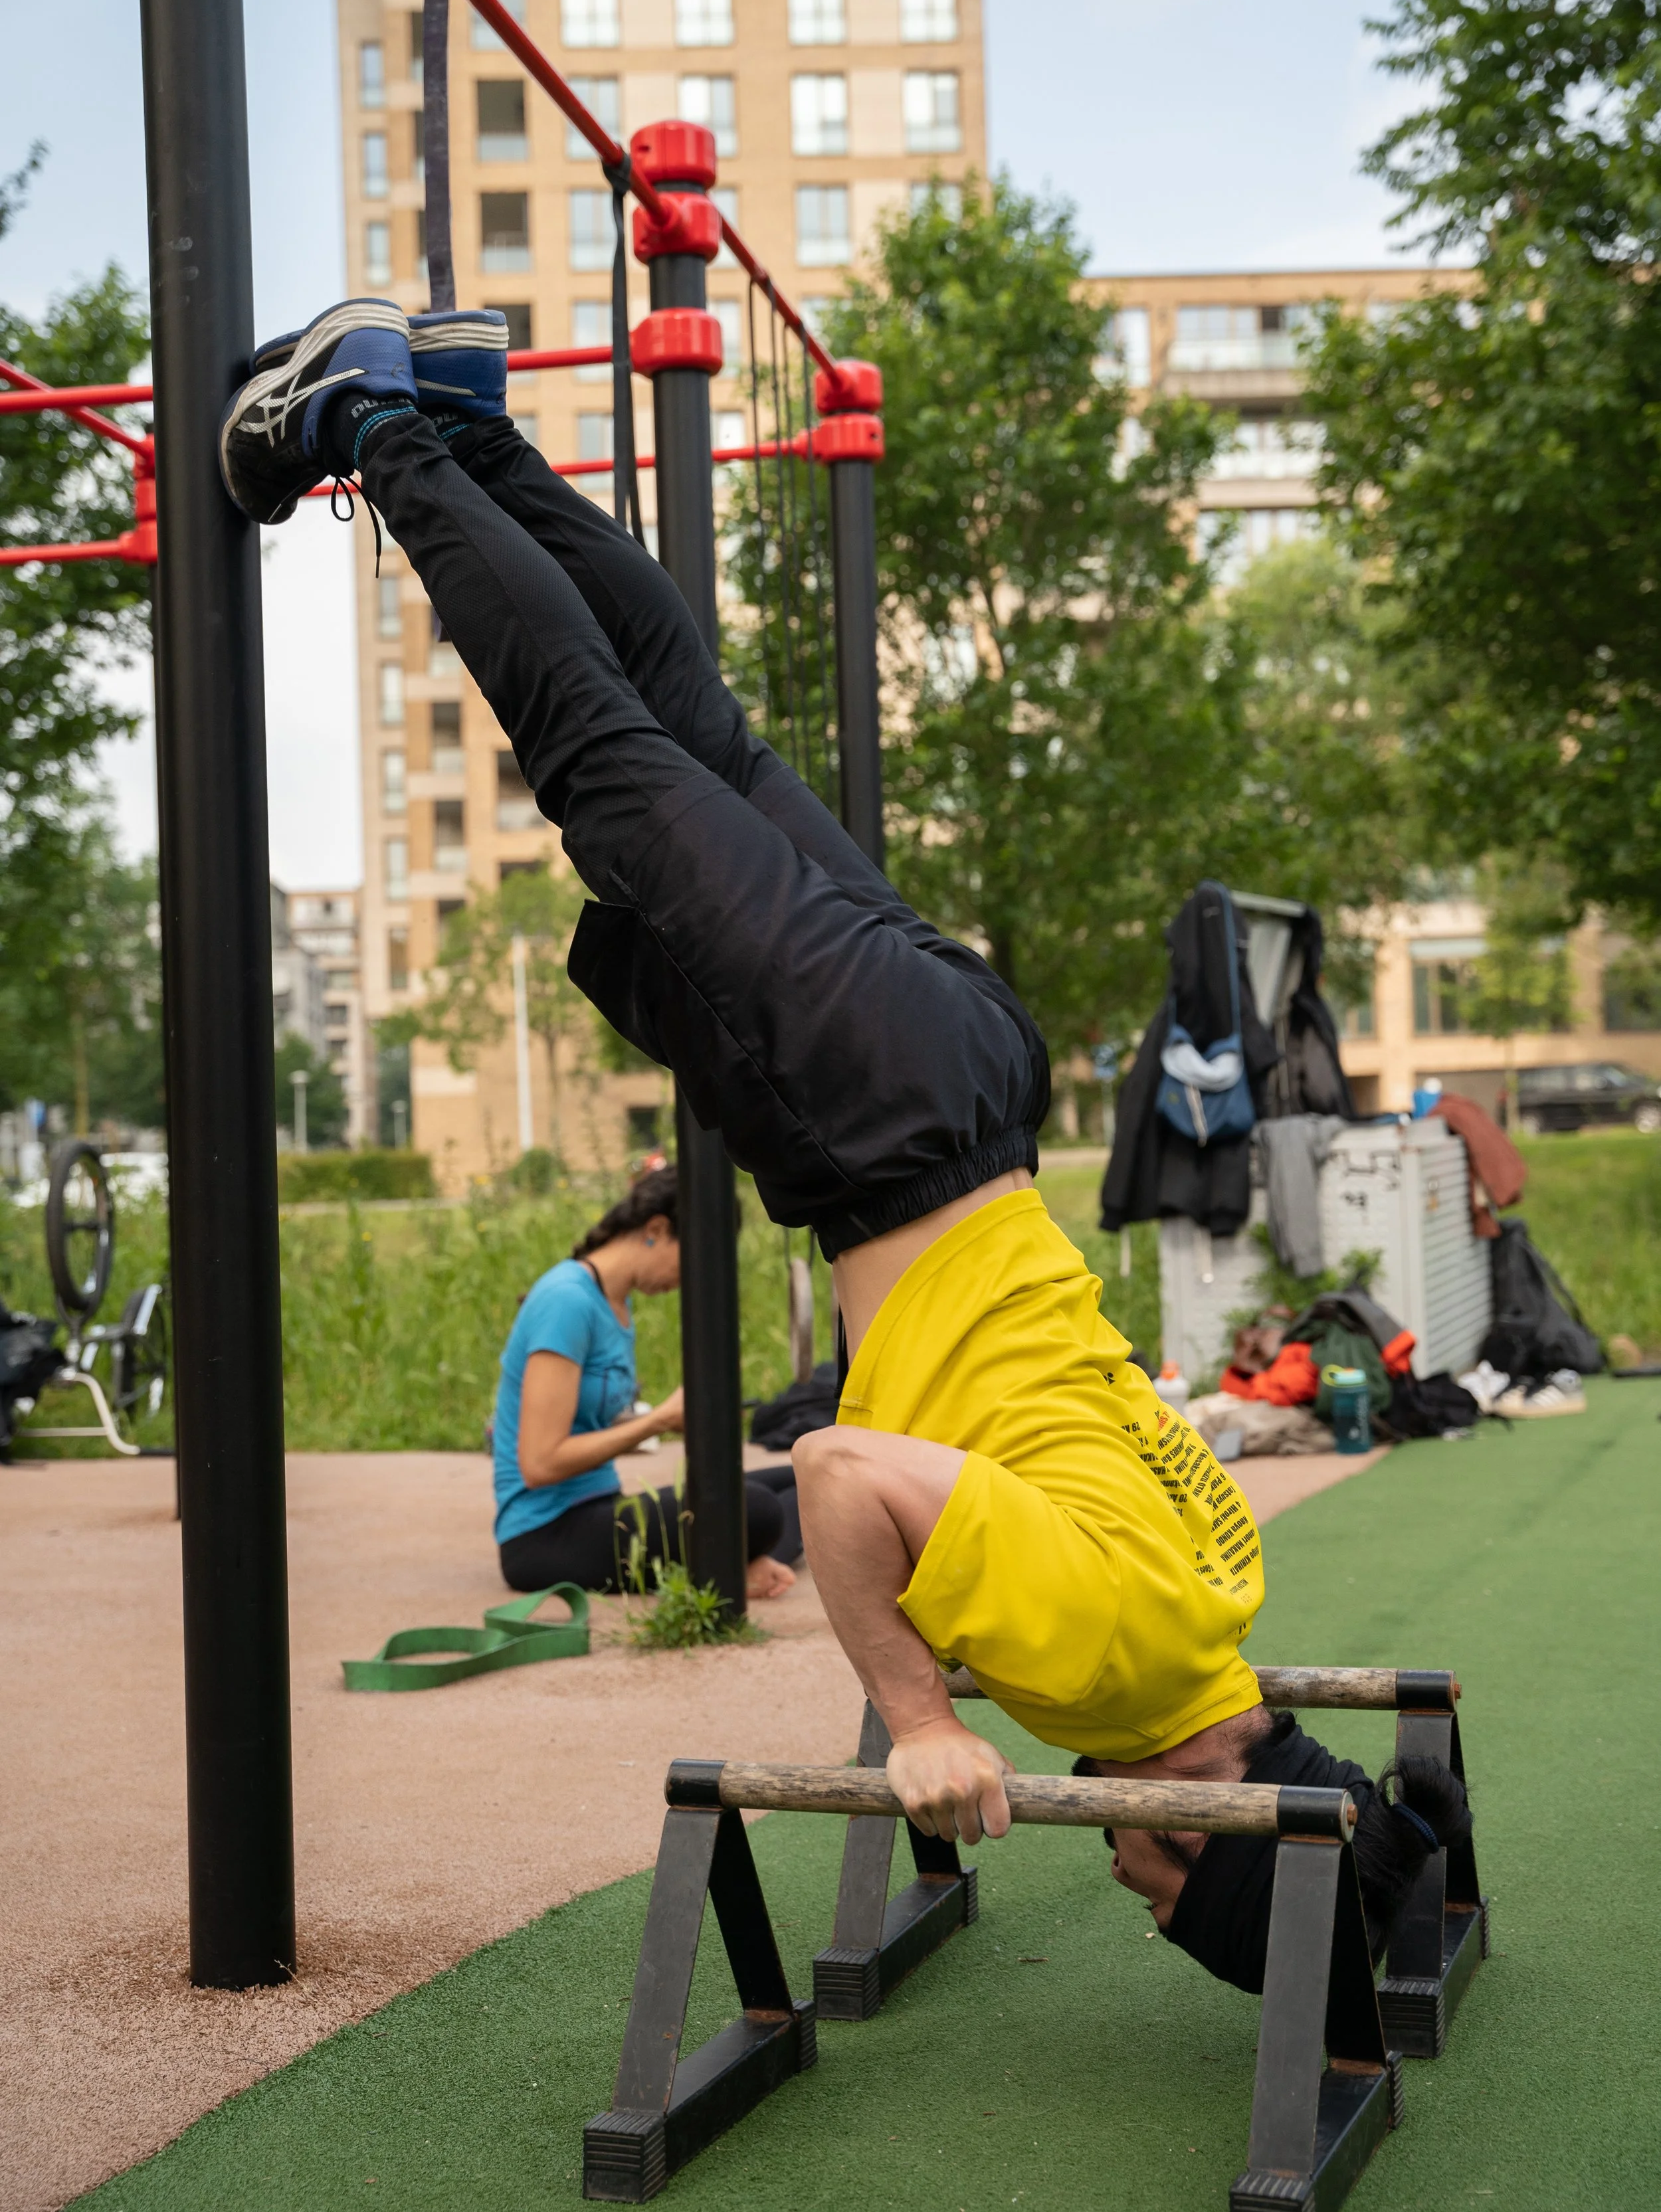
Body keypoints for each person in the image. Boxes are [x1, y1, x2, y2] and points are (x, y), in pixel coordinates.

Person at [220, 300, 1471, 1992]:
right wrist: (917, 1715)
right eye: (1169, 1900)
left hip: (971, 1079)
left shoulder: (1220, 1593)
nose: (1133, 1892)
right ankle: (371, 417)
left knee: (694, 728)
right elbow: (837, 1478)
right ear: (1212, 1824)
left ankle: (469, 420)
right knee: (602, 758)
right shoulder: (1115, 1664)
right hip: (887, 1131)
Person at [492, 1164, 796, 1602]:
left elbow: (589, 1429)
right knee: (760, 1508)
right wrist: (657, 1421)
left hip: (600, 1507)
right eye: (693, 1257)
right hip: (546, 1537)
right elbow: (540, 1464)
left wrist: (671, 1420)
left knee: (798, 1481)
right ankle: (738, 1564)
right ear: (657, 1228)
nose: (691, 1277)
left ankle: (746, 1564)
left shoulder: (615, 1304)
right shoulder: (567, 1300)